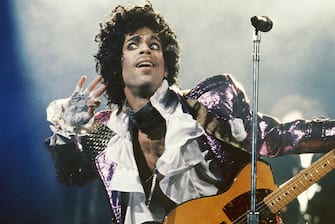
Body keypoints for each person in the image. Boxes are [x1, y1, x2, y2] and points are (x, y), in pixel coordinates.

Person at [45, 3, 335, 224]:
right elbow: (72, 175)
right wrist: (66, 130)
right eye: (133, 44)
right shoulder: (107, 133)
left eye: (154, 45)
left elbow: (275, 138)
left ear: (166, 64)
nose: (145, 49)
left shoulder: (208, 103)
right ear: (116, 65)